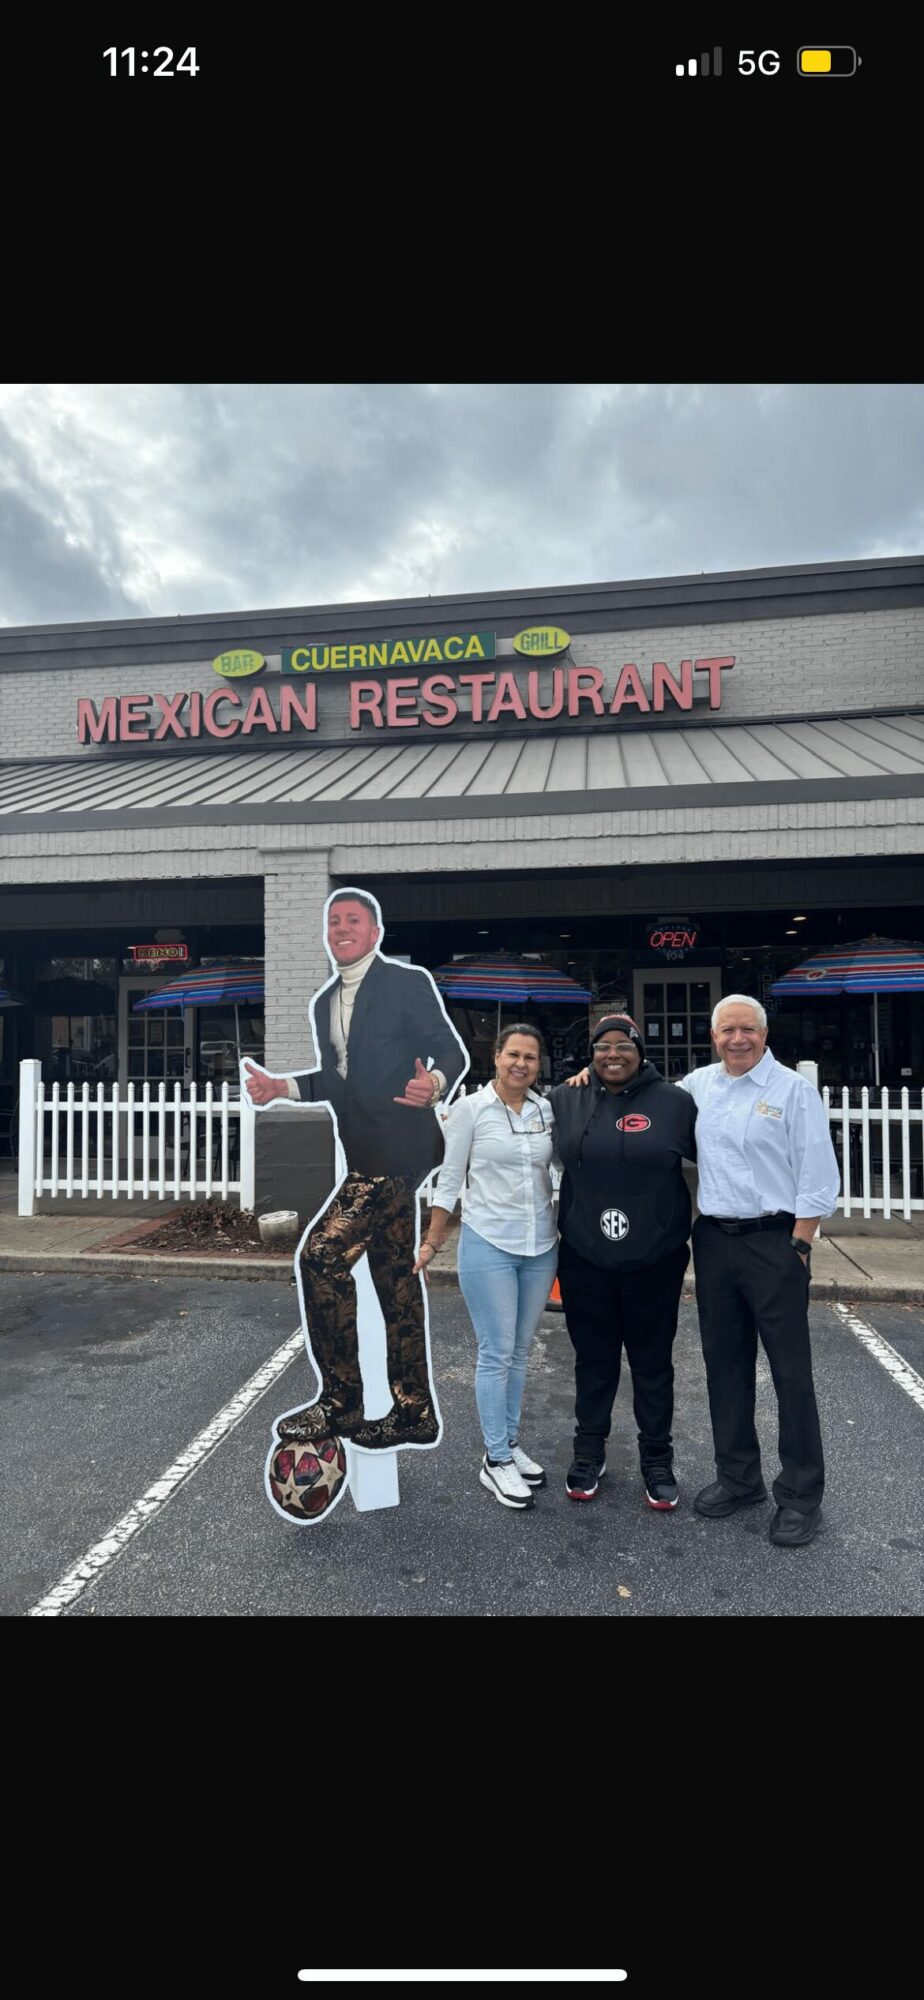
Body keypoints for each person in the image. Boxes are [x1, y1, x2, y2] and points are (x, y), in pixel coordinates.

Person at [244, 889, 468, 1451]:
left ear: (375, 933)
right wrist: (281, 1087)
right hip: (363, 1153)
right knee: (395, 1282)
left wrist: (435, 1082)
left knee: (321, 1254)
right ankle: (414, 1411)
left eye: (353, 920)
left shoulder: (405, 983)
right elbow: (337, 1080)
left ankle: (341, 1401)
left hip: (401, 1152)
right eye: (334, 921)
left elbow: (451, 1051)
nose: (342, 929)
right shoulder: (326, 1001)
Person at [677, 995, 840, 1548]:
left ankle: (800, 1495)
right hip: (715, 1240)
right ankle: (739, 1478)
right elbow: (643, 1098)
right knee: (725, 1365)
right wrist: (588, 1074)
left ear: (764, 1034)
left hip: (775, 1241)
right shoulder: (699, 1085)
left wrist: (801, 1242)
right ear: (713, 1036)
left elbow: (818, 1172)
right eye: (727, 1030)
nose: (738, 1039)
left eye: (748, 1029)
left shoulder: (791, 1090)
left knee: (790, 1372)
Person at [552, 1016, 697, 1508]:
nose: (613, 1054)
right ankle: (589, 1452)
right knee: (593, 1360)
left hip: (654, 1260)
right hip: (584, 1256)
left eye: (623, 1045)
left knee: (652, 1363)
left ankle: (657, 1457)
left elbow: (723, 1160)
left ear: (640, 1051)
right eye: (602, 1046)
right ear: (591, 1053)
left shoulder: (675, 1103)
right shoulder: (566, 1098)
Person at [416, 1024, 558, 1511]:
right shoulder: (470, 1110)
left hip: (540, 1247)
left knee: (519, 1351)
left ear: (538, 1065)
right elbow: (450, 1179)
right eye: (513, 1054)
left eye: (530, 1057)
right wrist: (432, 1242)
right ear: (496, 1057)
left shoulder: (545, 1110)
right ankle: (495, 1459)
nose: (521, 1064)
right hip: (489, 1243)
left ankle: (509, 1444)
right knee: (496, 1352)